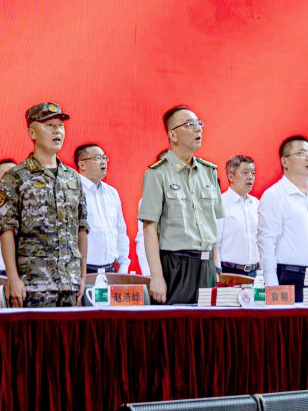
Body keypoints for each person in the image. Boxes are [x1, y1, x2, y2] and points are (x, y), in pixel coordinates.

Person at [0, 102, 87, 308]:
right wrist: (13, 278)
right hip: (33, 283)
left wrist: (82, 276)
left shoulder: (72, 178)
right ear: (32, 132)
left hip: (70, 283)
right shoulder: (16, 177)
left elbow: (82, 226)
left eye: (60, 125)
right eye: (49, 125)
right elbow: (6, 228)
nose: (57, 130)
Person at [138, 105, 223, 304]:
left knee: (207, 322)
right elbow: (149, 228)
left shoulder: (209, 172)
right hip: (176, 266)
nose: (198, 128)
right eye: (189, 124)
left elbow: (213, 225)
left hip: (207, 266)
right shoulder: (157, 173)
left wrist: (216, 268)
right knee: (177, 321)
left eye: (199, 123)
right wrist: (156, 276)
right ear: (173, 135)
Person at [258, 135, 308, 300]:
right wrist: (271, 284)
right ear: (285, 162)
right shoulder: (274, 195)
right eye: (301, 153)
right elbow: (267, 242)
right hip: (291, 277)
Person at [75, 143, 133, 275]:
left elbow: (120, 231)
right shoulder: (73, 191)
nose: (103, 162)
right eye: (97, 158)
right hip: (83, 270)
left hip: (110, 269)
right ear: (82, 165)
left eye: (104, 158)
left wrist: (123, 265)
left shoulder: (112, 192)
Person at [217, 155, 261, 278]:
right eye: (245, 172)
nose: (250, 177)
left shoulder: (256, 204)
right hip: (229, 272)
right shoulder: (220, 203)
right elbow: (215, 243)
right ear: (231, 176)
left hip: (255, 273)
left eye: (253, 173)